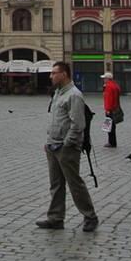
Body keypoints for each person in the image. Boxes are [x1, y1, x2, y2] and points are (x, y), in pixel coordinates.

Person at [37, 61, 98, 232]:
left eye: (54, 73)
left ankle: (90, 216)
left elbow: (78, 124)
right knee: (55, 184)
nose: (51, 76)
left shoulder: (74, 95)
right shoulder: (57, 93)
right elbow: (56, 120)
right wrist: (49, 141)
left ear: (64, 74)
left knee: (74, 184)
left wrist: (67, 144)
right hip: (53, 145)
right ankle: (56, 218)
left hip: (66, 148)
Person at [101, 71, 122, 148]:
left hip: (110, 109)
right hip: (115, 108)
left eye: (104, 78)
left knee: (109, 126)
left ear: (107, 79)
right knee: (112, 126)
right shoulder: (115, 85)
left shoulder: (108, 86)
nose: (103, 80)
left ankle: (111, 142)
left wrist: (108, 109)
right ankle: (112, 142)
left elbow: (109, 99)